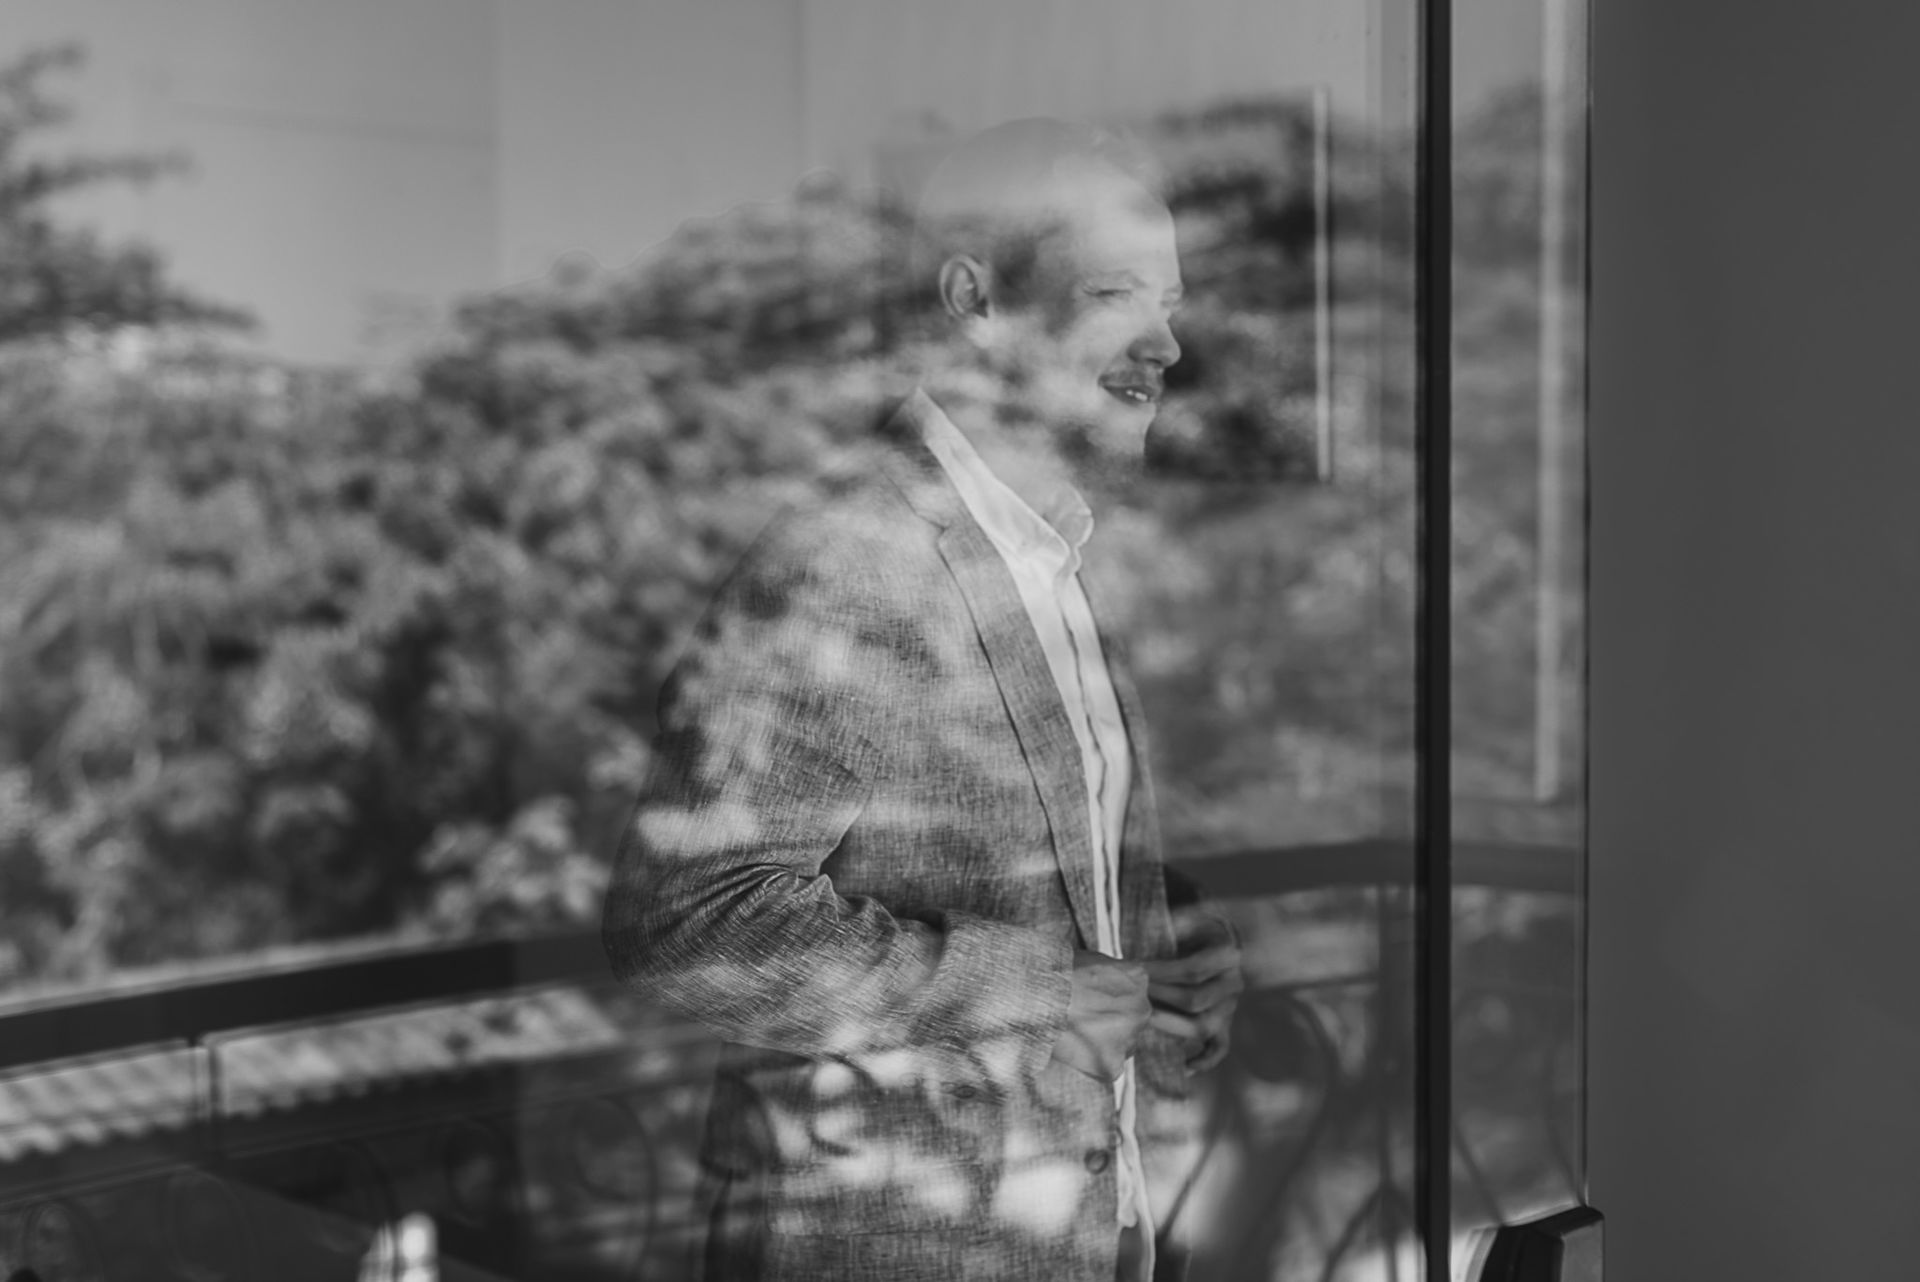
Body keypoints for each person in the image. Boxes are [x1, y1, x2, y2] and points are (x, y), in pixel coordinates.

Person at [602, 118, 1242, 1282]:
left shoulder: (1055, 552)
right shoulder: (852, 556)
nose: (1165, 344)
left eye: (1172, 304)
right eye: (1116, 294)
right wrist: (1048, 992)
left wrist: (1164, 941)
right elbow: (690, 924)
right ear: (977, 301)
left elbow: (996, 848)